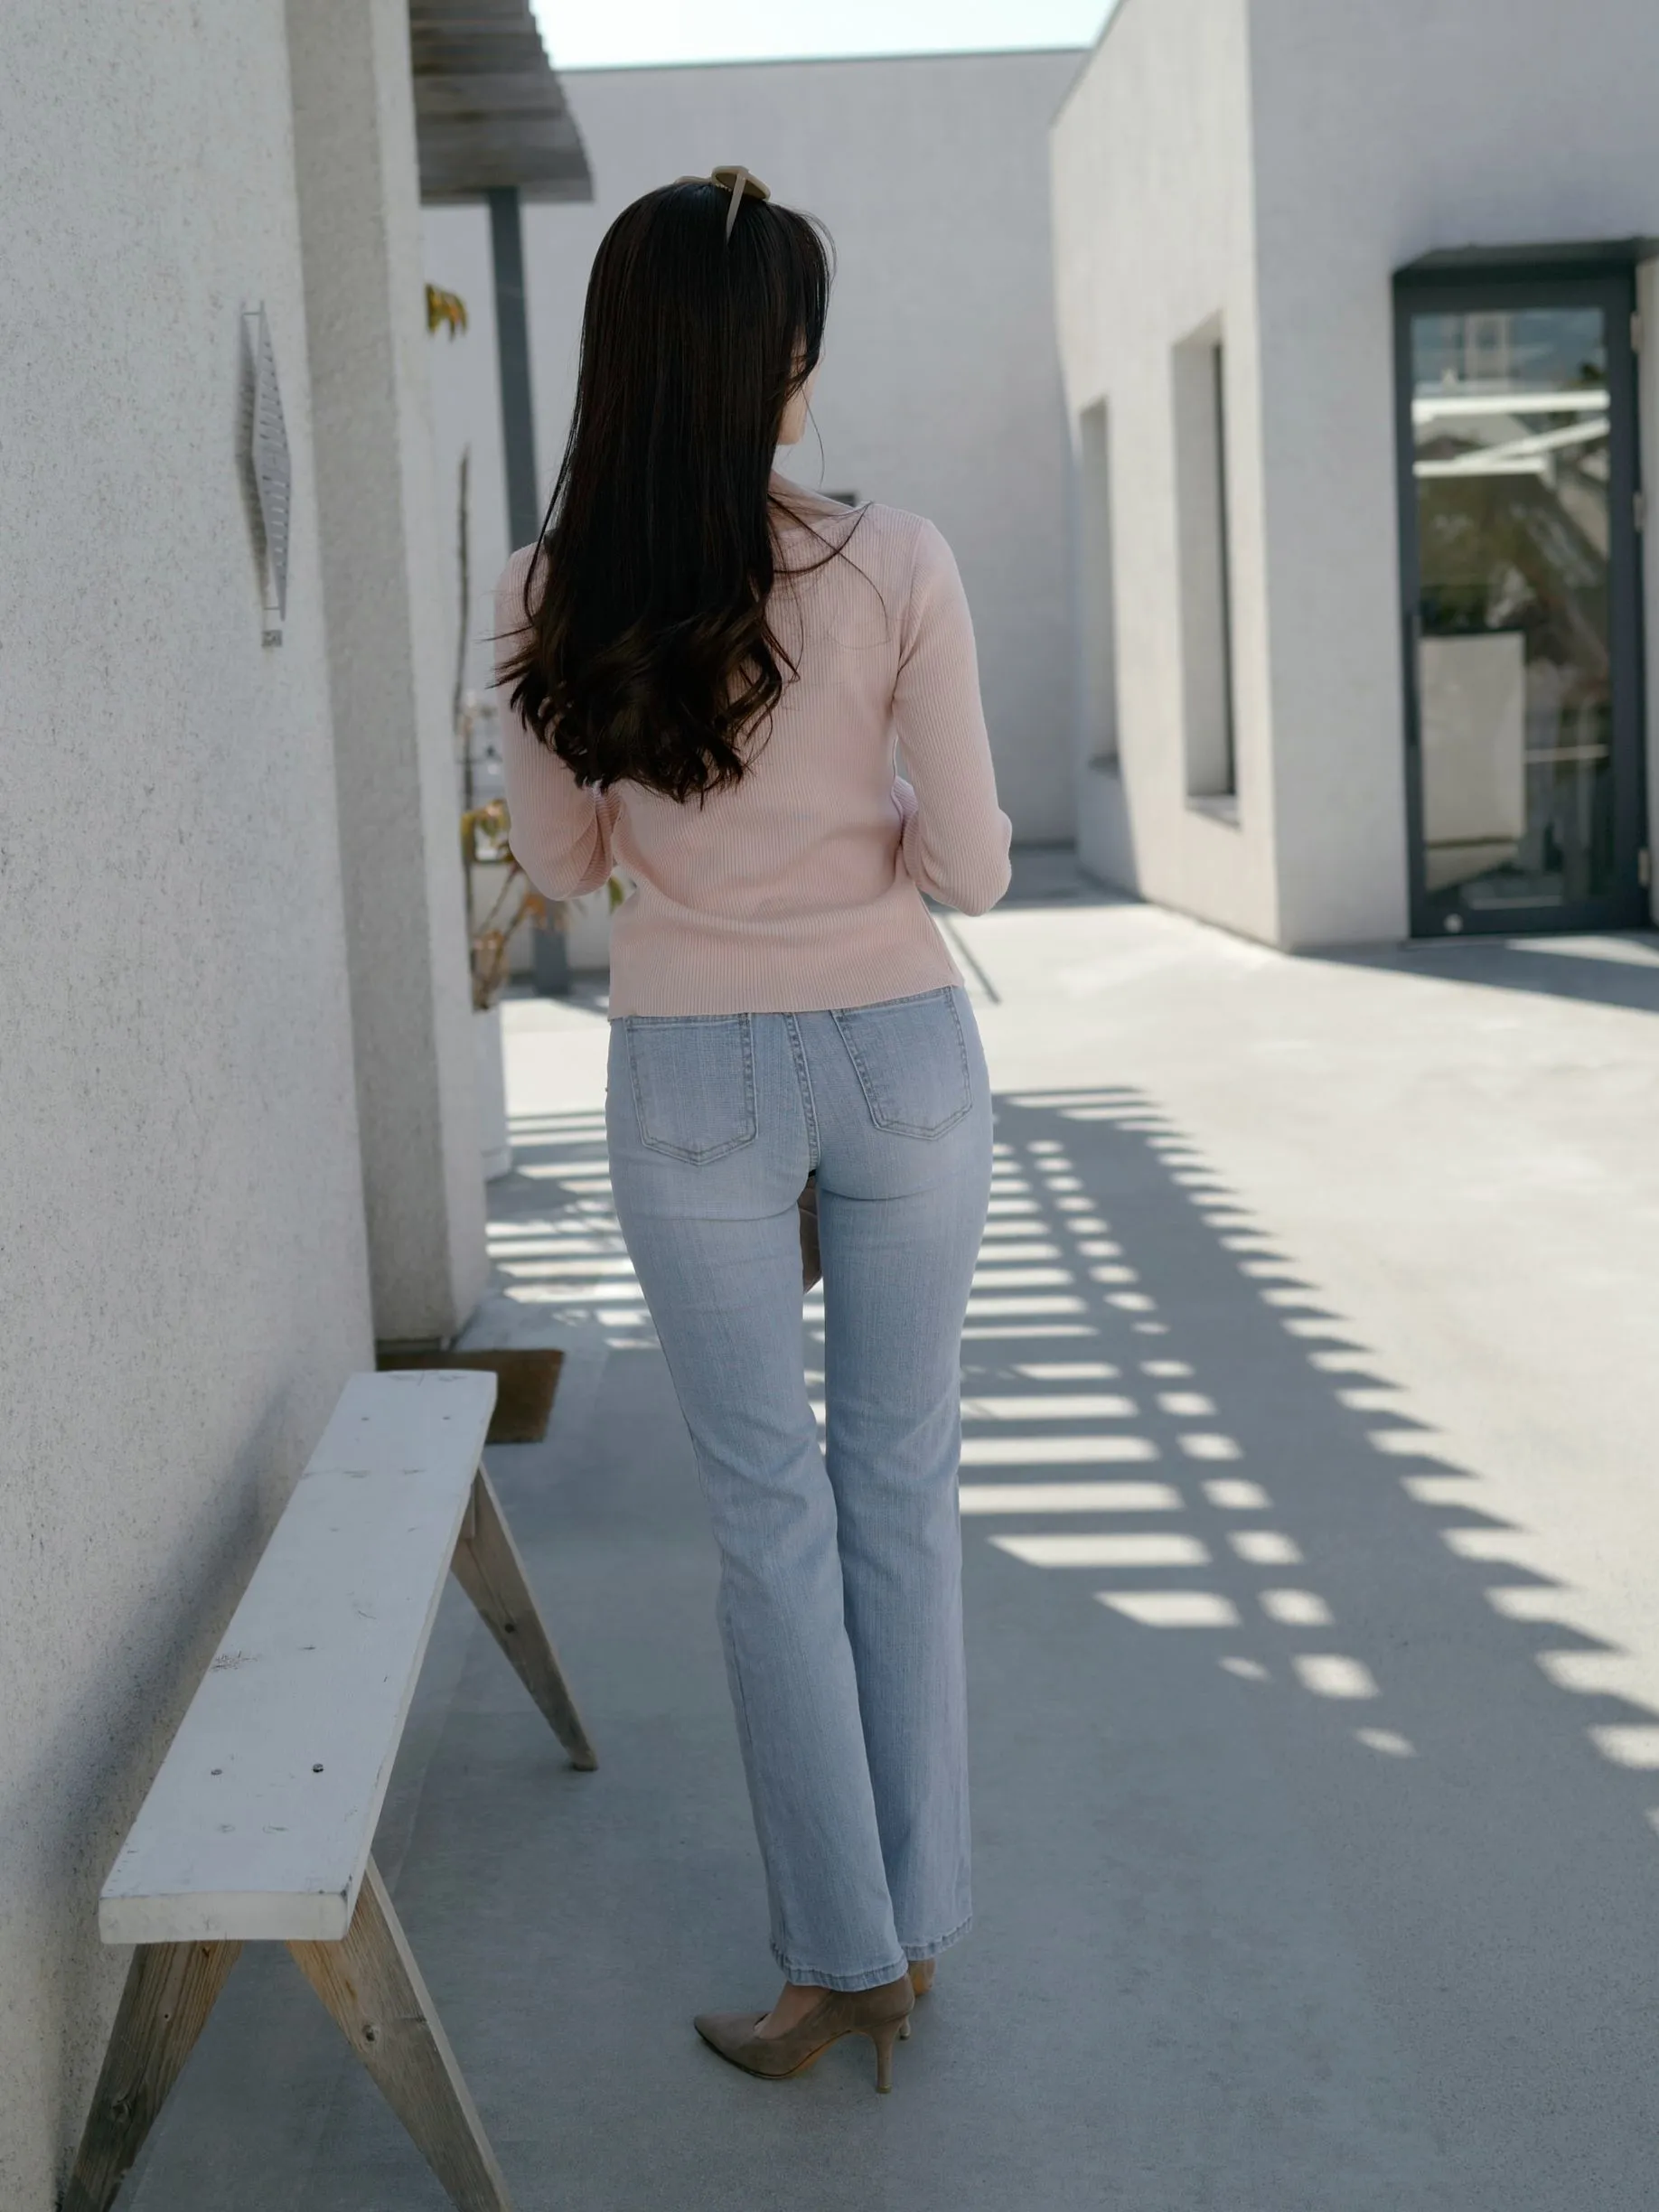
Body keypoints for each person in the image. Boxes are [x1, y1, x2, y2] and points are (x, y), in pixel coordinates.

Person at [495, 165, 1012, 2095]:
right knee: (899, 1485)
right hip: (901, 1054)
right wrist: (869, 828)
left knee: (768, 1519)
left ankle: (833, 1964)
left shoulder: (550, 592)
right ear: (772, 361)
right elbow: (976, 864)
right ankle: (913, 1939)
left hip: (690, 1075)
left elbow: (564, 866)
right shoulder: (900, 559)